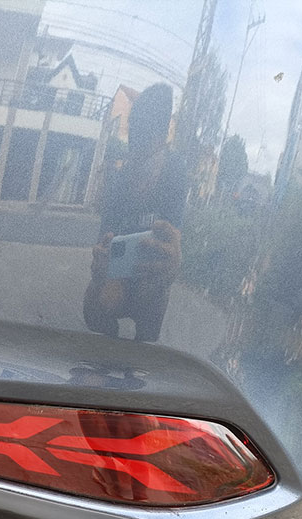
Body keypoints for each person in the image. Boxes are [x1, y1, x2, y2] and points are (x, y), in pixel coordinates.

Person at [82, 83, 187, 342]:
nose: (138, 149)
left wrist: (172, 265)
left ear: (163, 137)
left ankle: (140, 347)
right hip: (115, 277)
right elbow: (103, 241)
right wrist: (102, 274)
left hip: (152, 278)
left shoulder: (175, 171)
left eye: (147, 137)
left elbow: (173, 239)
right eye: (135, 135)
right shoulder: (120, 179)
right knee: (95, 309)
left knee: (151, 307)